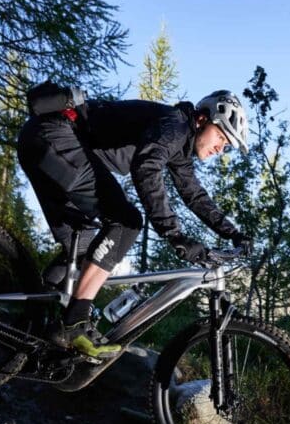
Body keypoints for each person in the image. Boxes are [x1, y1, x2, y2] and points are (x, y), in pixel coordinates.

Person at [17, 85, 252, 359]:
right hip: (55, 137)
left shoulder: (180, 145)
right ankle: (74, 324)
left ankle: (29, 328)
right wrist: (174, 235)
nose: (220, 148)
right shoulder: (174, 125)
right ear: (202, 119)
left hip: (44, 141)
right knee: (126, 222)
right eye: (221, 136)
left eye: (226, 146)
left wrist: (233, 233)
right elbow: (147, 167)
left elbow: (194, 195)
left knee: (83, 249)